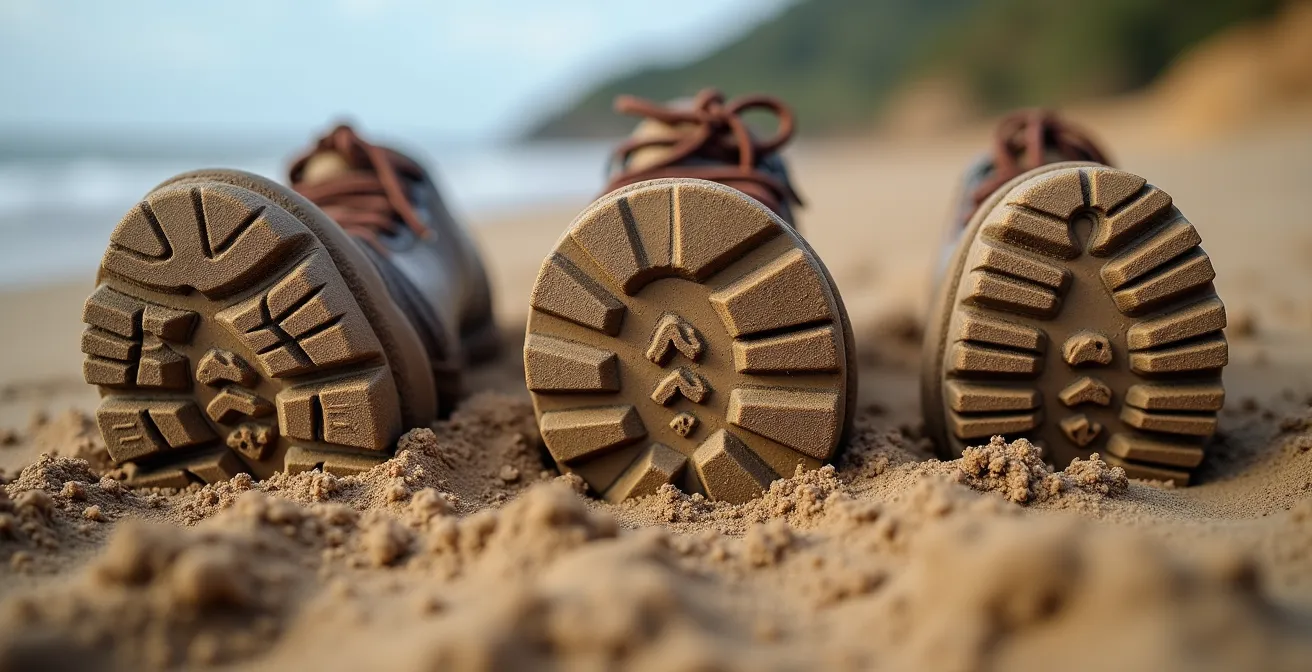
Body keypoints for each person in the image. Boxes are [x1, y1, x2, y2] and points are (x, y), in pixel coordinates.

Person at [80, 125, 496, 487]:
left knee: (330, 271)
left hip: (405, 278)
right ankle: (342, 249)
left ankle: (368, 261)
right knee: (317, 262)